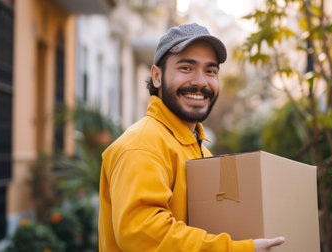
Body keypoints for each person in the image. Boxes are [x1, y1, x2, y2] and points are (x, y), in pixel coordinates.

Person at [98, 23, 285, 252]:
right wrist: (240, 249)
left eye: (211, 71)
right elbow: (142, 235)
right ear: (157, 76)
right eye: (186, 68)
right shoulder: (141, 146)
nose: (200, 82)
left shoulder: (200, 151)